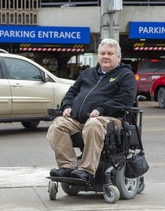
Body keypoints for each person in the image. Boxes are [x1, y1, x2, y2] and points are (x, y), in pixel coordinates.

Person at [46, 38, 137, 182]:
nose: (105, 56)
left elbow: (125, 99)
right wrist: (67, 106)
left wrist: (102, 108)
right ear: (98, 55)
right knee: (58, 125)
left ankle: (87, 171)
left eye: (110, 53)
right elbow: (71, 92)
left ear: (118, 57)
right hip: (79, 119)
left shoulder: (125, 75)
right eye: (102, 53)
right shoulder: (88, 73)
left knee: (93, 124)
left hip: (111, 121)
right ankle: (67, 166)